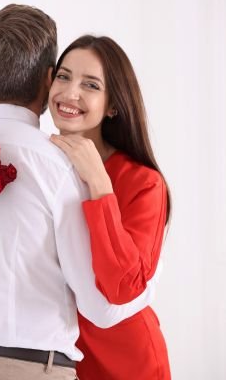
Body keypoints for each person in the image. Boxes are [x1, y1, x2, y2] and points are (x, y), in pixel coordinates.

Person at [0, 5, 157, 380]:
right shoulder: (60, 167)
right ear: (48, 79)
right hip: (29, 368)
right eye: (64, 76)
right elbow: (98, 307)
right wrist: (147, 288)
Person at [48, 35, 171, 379]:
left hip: (129, 362)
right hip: (60, 360)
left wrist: (99, 185)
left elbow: (122, 286)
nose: (70, 93)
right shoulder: (38, 162)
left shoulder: (144, 183)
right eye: (63, 76)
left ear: (112, 105)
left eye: (90, 84)